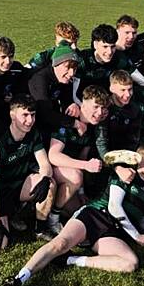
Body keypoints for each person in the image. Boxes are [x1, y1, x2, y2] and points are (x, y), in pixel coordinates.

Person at [2, 145, 144, 286]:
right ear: (138, 159)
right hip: (94, 215)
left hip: (112, 231)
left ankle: (70, 260)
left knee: (130, 263)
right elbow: (114, 207)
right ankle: (18, 279)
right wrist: (136, 236)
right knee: (60, 243)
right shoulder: (126, 175)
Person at [0, 95, 56, 250]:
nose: (30, 120)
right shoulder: (0, 143)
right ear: (12, 115)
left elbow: (45, 163)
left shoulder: (33, 133)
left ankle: (40, 228)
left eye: (33, 115)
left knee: (49, 184)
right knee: (0, 246)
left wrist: (45, 179)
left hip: (19, 186)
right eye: (25, 115)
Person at [46, 86, 110, 235]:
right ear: (83, 103)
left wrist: (81, 192)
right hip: (50, 169)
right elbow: (53, 156)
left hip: (71, 173)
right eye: (95, 107)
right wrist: (86, 165)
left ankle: (56, 210)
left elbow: (82, 156)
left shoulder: (92, 127)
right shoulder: (68, 120)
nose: (99, 112)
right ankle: (52, 219)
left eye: (102, 108)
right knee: (76, 176)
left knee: (77, 210)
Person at [27, 43, 81, 139]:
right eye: (67, 67)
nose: (72, 73)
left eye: (74, 68)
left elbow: (66, 97)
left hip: (48, 120)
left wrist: (71, 104)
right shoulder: (40, 79)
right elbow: (44, 113)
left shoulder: (63, 78)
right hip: (31, 125)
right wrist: (74, 123)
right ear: (56, 64)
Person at [76, 24, 133, 96]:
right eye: (105, 46)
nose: (109, 52)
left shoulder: (120, 59)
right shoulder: (83, 60)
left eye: (112, 47)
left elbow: (137, 77)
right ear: (95, 44)